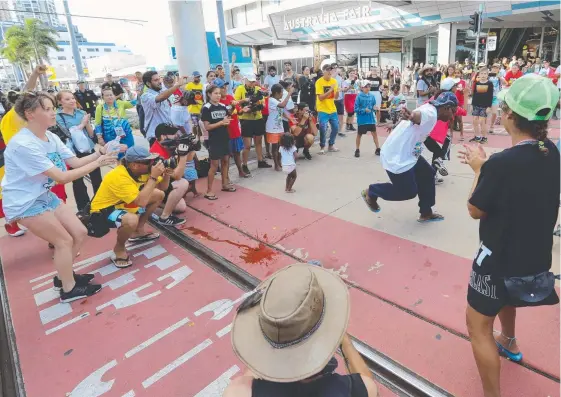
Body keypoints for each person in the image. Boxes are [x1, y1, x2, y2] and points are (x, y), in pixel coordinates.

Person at [459, 75, 560, 397]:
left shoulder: (501, 163)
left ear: (510, 115)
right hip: (534, 258)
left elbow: (475, 209)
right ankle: (510, 340)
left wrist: (479, 170)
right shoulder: (551, 151)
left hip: (497, 259)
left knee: (477, 326)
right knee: (505, 297)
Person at [2, 92, 117, 301]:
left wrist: (101, 153)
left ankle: (64, 276)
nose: (53, 112)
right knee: (63, 241)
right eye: (47, 109)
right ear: (30, 114)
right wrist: (98, 164)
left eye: (52, 107)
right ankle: (68, 289)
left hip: (43, 194)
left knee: (80, 232)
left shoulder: (51, 136)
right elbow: (62, 177)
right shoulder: (23, 145)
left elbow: (74, 162)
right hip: (25, 202)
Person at [223, 264, 379, 397]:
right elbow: (369, 385)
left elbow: (251, 376)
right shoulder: (351, 389)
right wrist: (344, 341)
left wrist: (272, 345)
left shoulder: (237, 391)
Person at [361, 92, 457, 222]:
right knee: (407, 192)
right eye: (453, 112)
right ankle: (371, 192)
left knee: (428, 175)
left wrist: (399, 123)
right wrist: (412, 116)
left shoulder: (429, 108)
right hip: (397, 156)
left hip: (410, 153)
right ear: (446, 108)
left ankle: (426, 212)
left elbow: (414, 121)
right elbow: (417, 117)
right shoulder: (431, 113)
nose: (452, 116)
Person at [90, 146, 168, 269]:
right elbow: (141, 202)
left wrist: (166, 172)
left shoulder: (141, 171)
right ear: (134, 165)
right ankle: (119, 248)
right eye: (148, 162)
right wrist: (153, 178)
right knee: (131, 219)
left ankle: (137, 232)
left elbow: (163, 187)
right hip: (104, 211)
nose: (152, 165)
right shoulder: (119, 176)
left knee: (159, 195)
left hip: (124, 203)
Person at [55, 90, 101, 212]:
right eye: (67, 99)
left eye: (72, 98)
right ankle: (84, 209)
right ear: (60, 102)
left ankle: (100, 206)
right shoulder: (58, 117)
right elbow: (66, 134)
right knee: (78, 182)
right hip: (73, 153)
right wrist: (82, 124)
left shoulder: (82, 112)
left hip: (89, 148)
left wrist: (88, 126)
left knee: (97, 178)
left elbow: (90, 133)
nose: (72, 101)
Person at [149, 123, 193, 226]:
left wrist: (191, 147)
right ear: (163, 136)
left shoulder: (167, 146)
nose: (176, 136)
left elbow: (190, 159)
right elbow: (177, 176)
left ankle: (158, 203)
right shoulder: (156, 153)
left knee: (180, 207)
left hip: (164, 184)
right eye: (173, 134)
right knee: (183, 183)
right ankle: (164, 217)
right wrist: (183, 155)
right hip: (156, 187)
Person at [202, 85, 234, 200]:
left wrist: (227, 120)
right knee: (214, 165)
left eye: (219, 93)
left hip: (224, 137)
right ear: (209, 94)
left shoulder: (223, 106)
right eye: (215, 93)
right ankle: (209, 190)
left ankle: (225, 184)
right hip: (214, 140)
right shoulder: (206, 108)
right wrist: (221, 123)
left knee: (226, 161)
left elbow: (227, 118)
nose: (218, 95)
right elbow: (207, 127)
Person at [235, 75, 271, 173]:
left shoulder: (258, 89)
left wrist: (259, 105)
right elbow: (235, 103)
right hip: (246, 119)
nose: (252, 83)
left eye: (253, 81)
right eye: (250, 81)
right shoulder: (240, 88)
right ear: (245, 80)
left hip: (258, 118)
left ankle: (260, 161)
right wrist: (245, 101)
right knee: (247, 145)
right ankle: (244, 165)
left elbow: (263, 103)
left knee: (258, 142)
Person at [217, 78, 250, 179]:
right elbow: (228, 113)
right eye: (222, 87)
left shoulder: (230, 97)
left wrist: (243, 110)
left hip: (235, 131)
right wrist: (233, 107)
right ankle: (225, 178)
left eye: (225, 87)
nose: (224, 89)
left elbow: (239, 111)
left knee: (236, 153)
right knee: (225, 157)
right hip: (224, 133)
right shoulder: (216, 103)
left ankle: (240, 171)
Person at [141, 71, 182, 145]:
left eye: (159, 79)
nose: (159, 82)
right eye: (156, 80)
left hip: (169, 134)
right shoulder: (145, 96)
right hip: (156, 137)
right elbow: (161, 97)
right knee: (161, 157)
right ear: (148, 83)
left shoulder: (161, 91)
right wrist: (177, 85)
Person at [94, 88, 135, 157]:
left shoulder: (120, 103)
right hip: (110, 136)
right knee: (115, 155)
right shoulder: (100, 107)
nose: (110, 97)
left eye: (111, 95)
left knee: (130, 152)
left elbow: (133, 103)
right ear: (103, 97)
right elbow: (98, 124)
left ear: (114, 95)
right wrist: (100, 138)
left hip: (126, 134)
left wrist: (129, 92)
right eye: (107, 95)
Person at [266, 84, 293, 171]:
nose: (282, 94)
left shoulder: (278, 100)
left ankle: (279, 162)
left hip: (279, 127)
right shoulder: (272, 100)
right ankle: (276, 164)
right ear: (277, 93)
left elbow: (282, 111)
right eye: (281, 92)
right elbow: (282, 105)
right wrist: (289, 94)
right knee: (275, 147)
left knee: (280, 146)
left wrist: (290, 118)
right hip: (272, 128)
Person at [315, 64, 340, 154]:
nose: (330, 72)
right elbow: (321, 98)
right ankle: (322, 146)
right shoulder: (319, 82)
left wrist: (337, 92)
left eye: (331, 70)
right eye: (328, 70)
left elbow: (336, 97)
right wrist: (330, 90)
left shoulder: (334, 81)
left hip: (332, 109)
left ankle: (331, 145)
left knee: (336, 128)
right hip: (322, 109)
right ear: (323, 72)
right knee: (323, 128)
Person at [354, 80, 379, 158]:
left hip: (371, 119)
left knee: (374, 133)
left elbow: (374, 106)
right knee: (359, 134)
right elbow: (355, 109)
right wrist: (364, 110)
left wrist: (375, 108)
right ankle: (357, 149)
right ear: (362, 87)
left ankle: (378, 148)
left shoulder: (372, 96)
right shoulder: (359, 97)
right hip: (362, 120)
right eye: (366, 87)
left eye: (369, 86)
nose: (368, 88)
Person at [469, 68, 494, 144]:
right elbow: (475, 95)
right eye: (482, 74)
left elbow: (490, 95)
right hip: (476, 104)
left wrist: (489, 106)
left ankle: (484, 137)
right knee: (474, 121)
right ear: (479, 75)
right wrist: (472, 105)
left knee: (482, 122)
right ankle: (477, 136)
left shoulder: (489, 84)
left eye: (485, 74)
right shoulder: (477, 83)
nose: (483, 75)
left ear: (487, 75)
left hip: (484, 106)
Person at [488, 64, 507, 134]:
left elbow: (505, 83)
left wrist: (500, 77)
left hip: (495, 97)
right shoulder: (488, 75)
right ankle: (483, 125)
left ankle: (491, 126)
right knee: (485, 112)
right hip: (487, 96)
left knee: (494, 112)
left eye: (497, 68)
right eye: (494, 68)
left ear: (499, 69)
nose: (495, 69)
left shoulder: (500, 76)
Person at [185, 71, 204, 136]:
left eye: (199, 77)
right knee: (195, 125)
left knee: (201, 125)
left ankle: (199, 138)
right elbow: (186, 96)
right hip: (192, 109)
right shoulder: (189, 85)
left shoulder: (201, 85)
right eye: (197, 77)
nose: (198, 78)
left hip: (200, 108)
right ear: (193, 77)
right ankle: (196, 137)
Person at [453, 68, 468, 141]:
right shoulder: (452, 81)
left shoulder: (462, 82)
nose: (456, 74)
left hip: (459, 102)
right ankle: (451, 134)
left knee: (459, 119)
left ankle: (461, 134)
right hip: (452, 102)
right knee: (451, 119)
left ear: (461, 74)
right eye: (455, 73)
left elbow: (464, 92)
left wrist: (462, 90)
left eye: (458, 73)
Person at [334, 66, 346, 137]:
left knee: (340, 115)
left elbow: (344, 88)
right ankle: (334, 130)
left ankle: (340, 130)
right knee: (332, 116)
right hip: (331, 99)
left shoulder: (340, 78)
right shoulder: (329, 78)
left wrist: (341, 89)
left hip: (340, 99)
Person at [134, 71, 147, 137]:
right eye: (136, 75)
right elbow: (137, 93)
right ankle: (145, 133)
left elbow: (141, 93)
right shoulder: (137, 83)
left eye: (139, 75)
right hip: (138, 103)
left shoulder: (145, 83)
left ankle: (145, 133)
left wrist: (139, 92)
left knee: (142, 120)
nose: (138, 76)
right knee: (140, 118)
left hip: (143, 104)